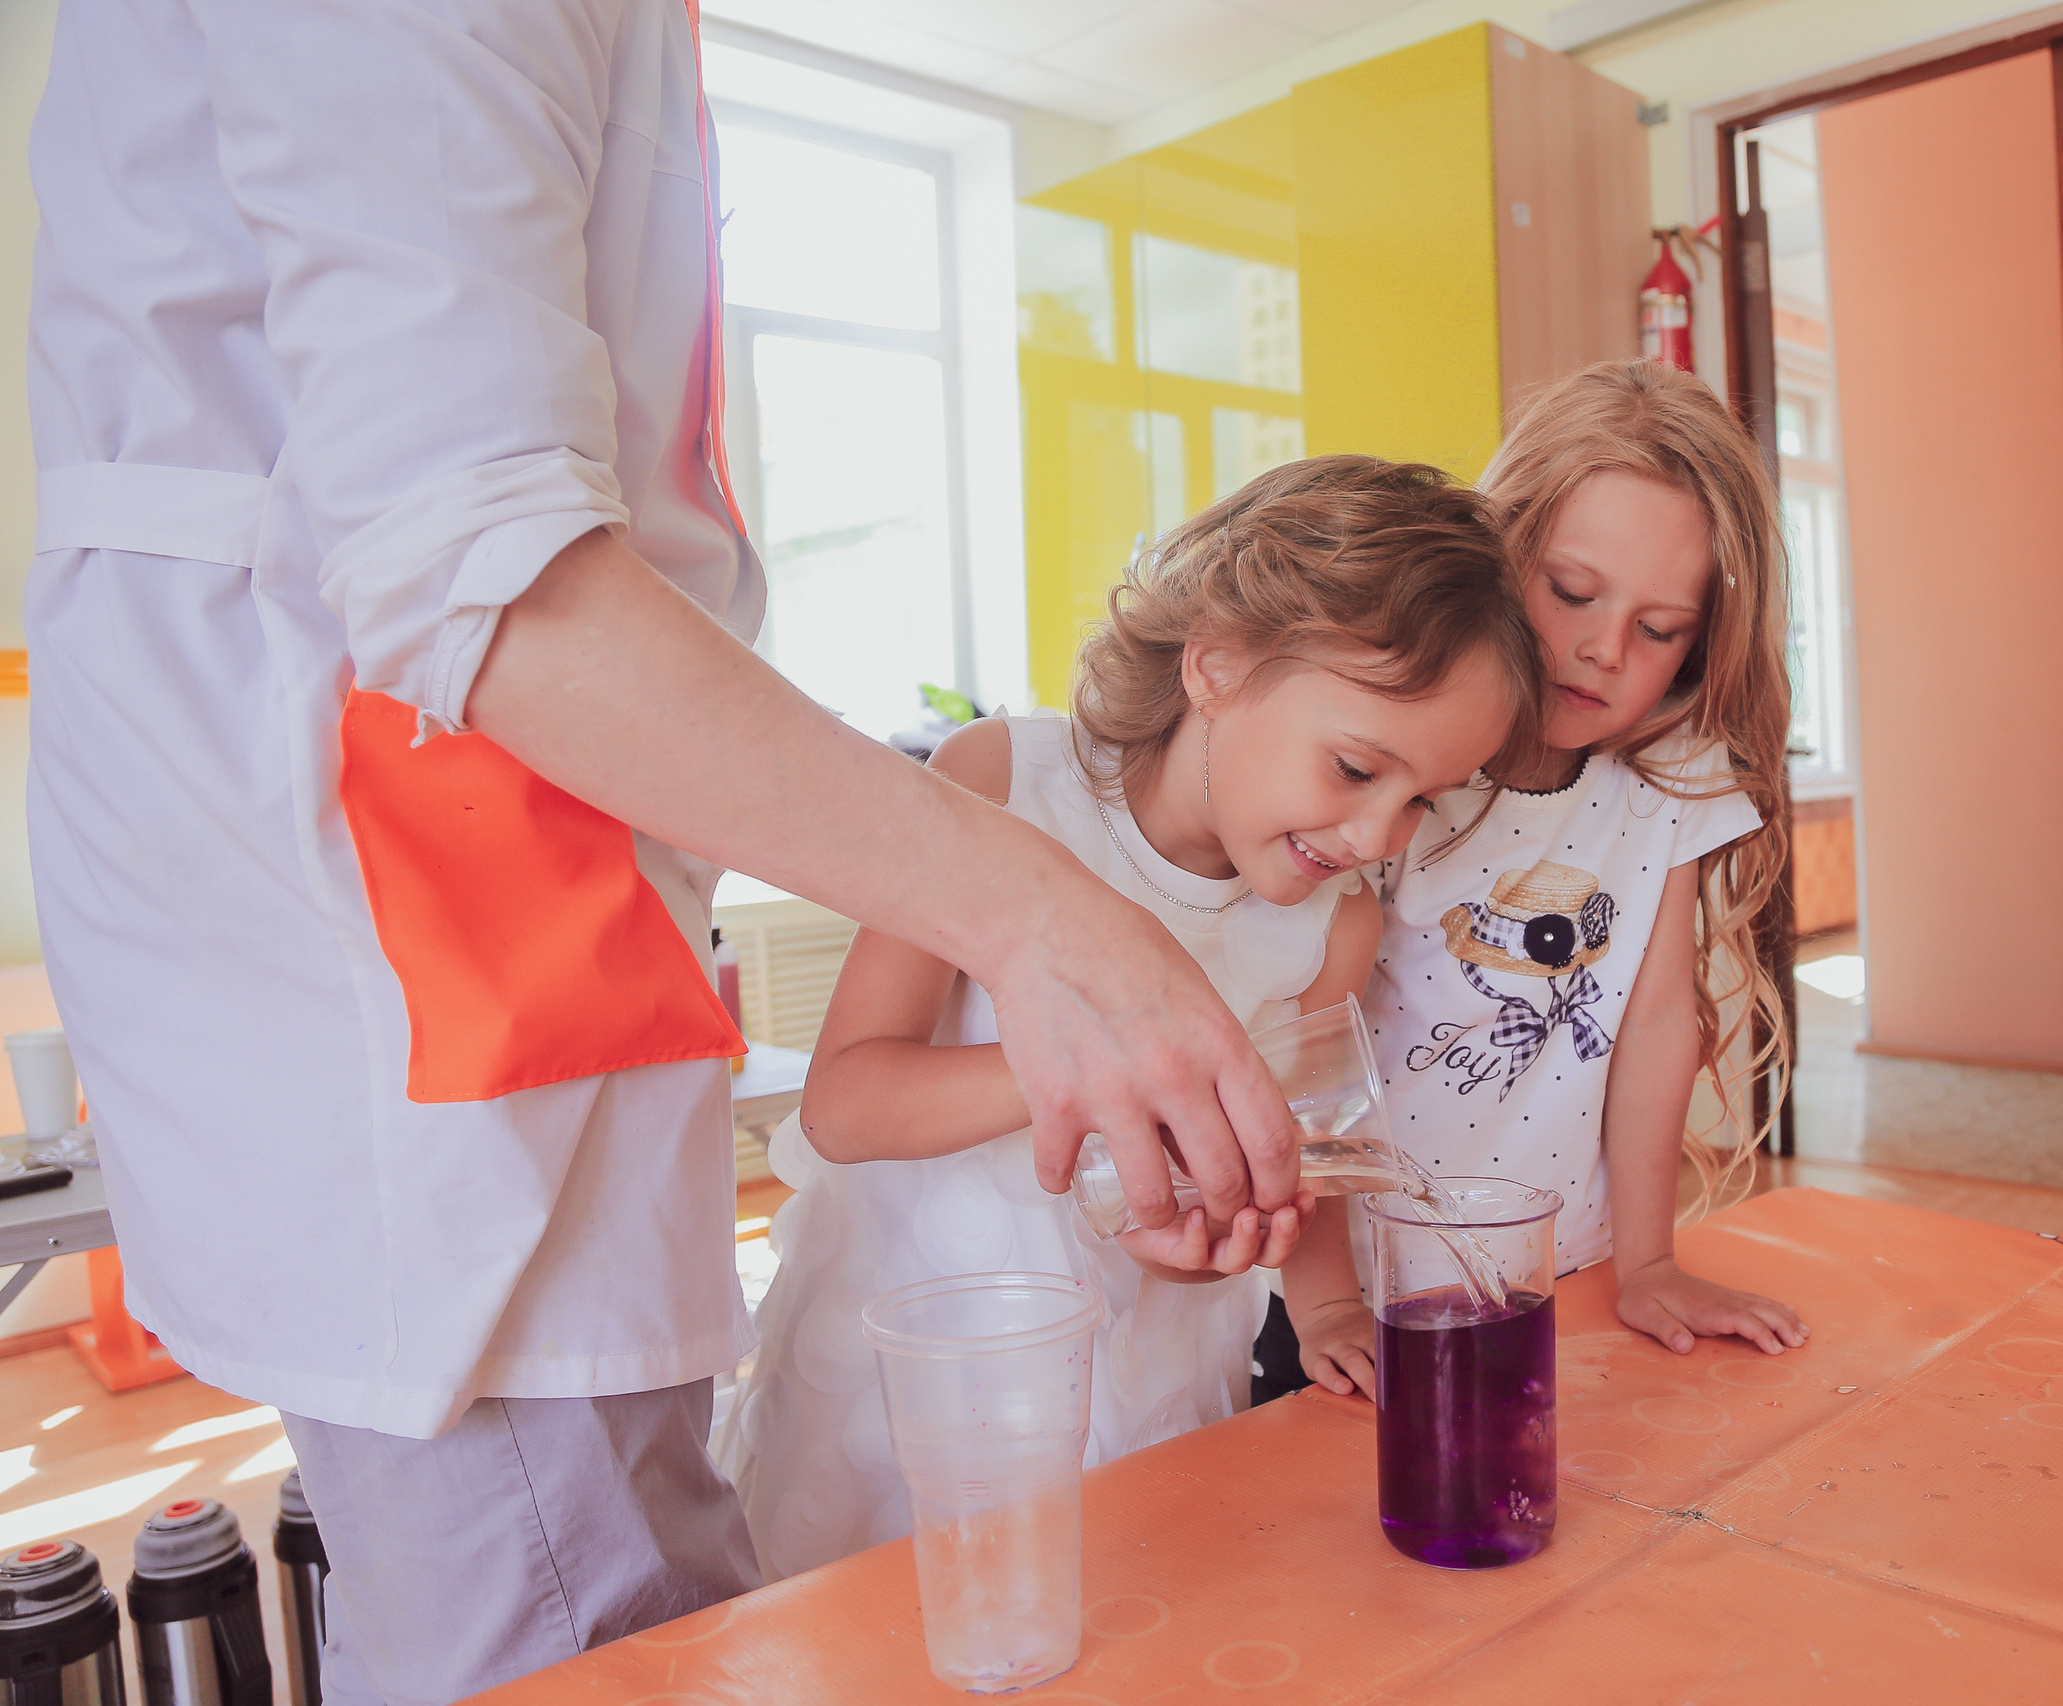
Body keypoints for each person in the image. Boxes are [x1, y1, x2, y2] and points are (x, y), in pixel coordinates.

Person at [25, 5, 1298, 1697]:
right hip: (411, 984)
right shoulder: (1030, 793)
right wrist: (1045, 920)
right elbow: (481, 560)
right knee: (581, 1622)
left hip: (521, 954)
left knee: (632, 1586)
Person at [720, 457, 1545, 1576]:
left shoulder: (1328, 928)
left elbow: (1290, 1161)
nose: (1373, 836)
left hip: (1151, 1395)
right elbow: (847, 1104)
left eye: (1419, 801)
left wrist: (1314, 1301)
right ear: (1215, 663)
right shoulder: (1004, 785)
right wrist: (1102, 1049)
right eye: (1355, 766)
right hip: (906, 1387)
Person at [1277, 362, 1809, 1402]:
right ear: (1499, 550)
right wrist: (1323, 1297)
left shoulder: (1669, 776)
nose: (1602, 648)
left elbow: (1656, 1020)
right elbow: (1306, 1033)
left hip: (1558, 1269)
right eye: (1570, 592)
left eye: (1659, 630)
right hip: (1360, 1290)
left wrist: (1649, 1260)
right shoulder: (1400, 760)